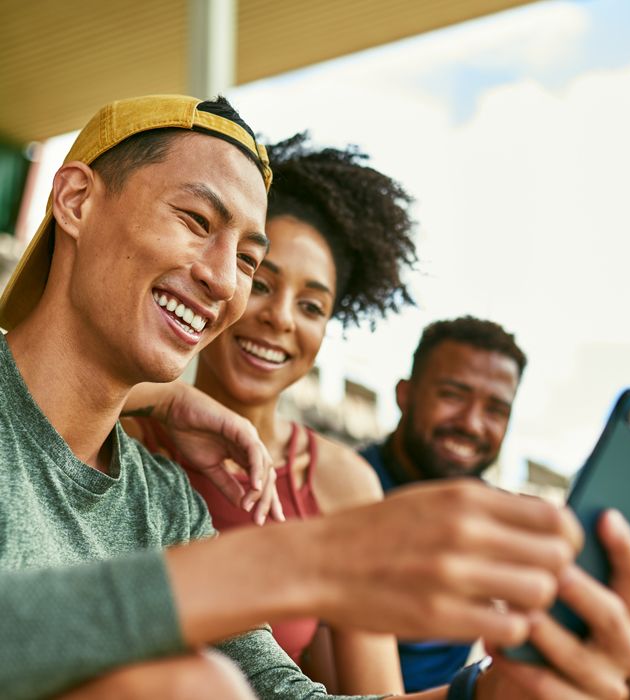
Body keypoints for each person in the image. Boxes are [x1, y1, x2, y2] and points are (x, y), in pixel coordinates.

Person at [0, 94, 630, 700]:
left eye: (247, 260)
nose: (224, 280)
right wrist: (303, 561)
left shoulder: (166, 500)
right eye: (196, 221)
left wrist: (477, 693)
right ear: (78, 199)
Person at [124, 132, 417, 695]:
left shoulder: (342, 486)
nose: (281, 318)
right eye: (260, 283)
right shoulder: (124, 429)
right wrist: (166, 398)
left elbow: (378, 690)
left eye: (312, 306)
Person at [361, 315, 630, 699]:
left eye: (495, 410)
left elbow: (582, 554)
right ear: (404, 394)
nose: (472, 423)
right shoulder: (345, 493)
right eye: (452, 395)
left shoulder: (491, 513)